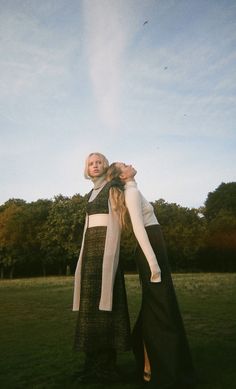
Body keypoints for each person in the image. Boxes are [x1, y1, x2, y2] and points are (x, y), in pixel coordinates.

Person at [106, 162, 197, 389]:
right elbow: (139, 228)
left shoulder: (133, 190)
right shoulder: (132, 192)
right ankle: (155, 367)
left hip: (155, 248)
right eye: (124, 165)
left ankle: (148, 364)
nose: (130, 164)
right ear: (122, 175)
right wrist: (153, 264)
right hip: (151, 252)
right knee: (160, 308)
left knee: (155, 308)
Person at [72, 153, 131, 384]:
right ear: (86, 168)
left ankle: (106, 366)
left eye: (98, 162)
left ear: (104, 165)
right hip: (89, 255)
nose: (94, 166)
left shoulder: (113, 187)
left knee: (107, 308)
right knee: (90, 309)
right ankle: (92, 364)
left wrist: (110, 254)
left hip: (106, 254)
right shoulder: (90, 193)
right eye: (90, 163)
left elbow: (118, 221)